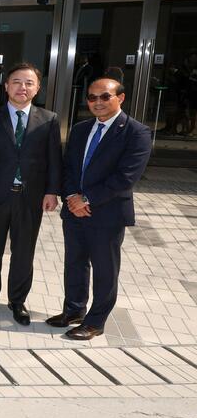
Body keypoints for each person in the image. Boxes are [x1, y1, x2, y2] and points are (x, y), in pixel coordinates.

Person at [46, 76, 152, 340]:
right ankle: (73, 311)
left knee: (105, 268)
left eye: (105, 96)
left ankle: (96, 321)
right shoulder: (81, 129)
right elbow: (68, 167)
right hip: (74, 210)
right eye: (92, 97)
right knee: (75, 263)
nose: (98, 102)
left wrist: (87, 199)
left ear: (121, 98)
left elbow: (125, 177)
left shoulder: (136, 133)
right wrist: (72, 196)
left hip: (107, 214)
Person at [0, 63, 62, 326]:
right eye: (16, 82)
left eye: (28, 83)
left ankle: (17, 300)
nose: (22, 87)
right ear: (6, 86)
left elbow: (54, 160)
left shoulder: (49, 119)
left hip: (30, 196)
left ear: (37, 88)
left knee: (24, 251)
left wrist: (52, 191)